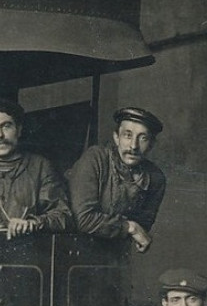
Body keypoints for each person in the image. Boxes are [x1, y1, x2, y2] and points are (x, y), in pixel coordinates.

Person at [0, 97, 72, 237]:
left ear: (19, 130)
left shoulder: (41, 167)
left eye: (6, 126)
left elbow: (63, 216)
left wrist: (33, 223)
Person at [66, 106, 166, 252]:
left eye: (143, 138)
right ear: (116, 137)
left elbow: (143, 229)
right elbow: (84, 219)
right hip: (72, 250)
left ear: (151, 144)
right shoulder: (95, 159)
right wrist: (130, 227)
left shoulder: (155, 178)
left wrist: (132, 230)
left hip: (114, 255)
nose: (133, 146)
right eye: (127, 135)